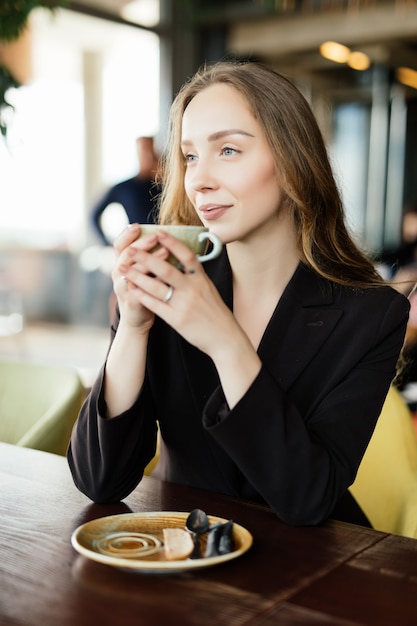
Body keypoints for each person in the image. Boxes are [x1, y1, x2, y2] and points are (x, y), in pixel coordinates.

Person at [68, 61, 410, 528]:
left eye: (228, 150)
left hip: (309, 572)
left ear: (293, 163)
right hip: (183, 556)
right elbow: (99, 481)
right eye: (189, 156)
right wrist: (132, 326)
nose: (199, 179)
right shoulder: (171, 283)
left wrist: (225, 341)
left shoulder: (370, 315)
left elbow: (309, 498)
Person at [91, 136, 160, 245]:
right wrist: (107, 244)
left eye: (151, 150)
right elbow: (94, 215)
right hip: (137, 245)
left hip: (168, 244)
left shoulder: (166, 185)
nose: (149, 156)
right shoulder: (124, 188)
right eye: (144, 151)